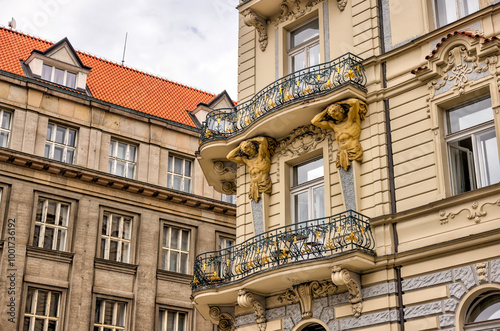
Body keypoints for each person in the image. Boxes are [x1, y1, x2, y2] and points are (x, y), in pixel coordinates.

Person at [311, 98, 367, 171]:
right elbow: (314, 121)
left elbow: (354, 102)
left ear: (341, 110)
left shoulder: (351, 119)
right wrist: (326, 110)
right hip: (340, 154)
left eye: (335, 113)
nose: (334, 116)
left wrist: (340, 102)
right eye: (332, 115)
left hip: (353, 150)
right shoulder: (334, 126)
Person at [227, 136, 276, 202]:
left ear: (252, 146)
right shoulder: (247, 161)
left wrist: (250, 140)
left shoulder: (262, 155)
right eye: (245, 151)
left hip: (264, 182)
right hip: (253, 186)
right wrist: (240, 146)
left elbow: (263, 140)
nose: (247, 152)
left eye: (248, 149)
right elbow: (229, 157)